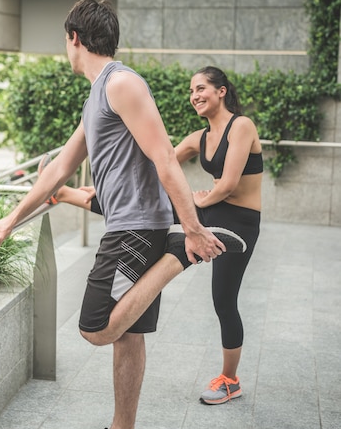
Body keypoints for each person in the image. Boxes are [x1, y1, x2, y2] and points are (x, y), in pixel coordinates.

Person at [0, 0, 230, 429]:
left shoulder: (121, 84)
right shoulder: (99, 93)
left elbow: (164, 159)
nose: (65, 48)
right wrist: (10, 219)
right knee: (128, 335)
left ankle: (180, 256)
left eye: (65, 41)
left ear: (75, 38)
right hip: (135, 224)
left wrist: (192, 232)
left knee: (95, 327)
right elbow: (60, 168)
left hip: (135, 228)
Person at [41, 65, 262, 405]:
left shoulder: (242, 126)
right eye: (191, 91)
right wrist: (110, 185)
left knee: (224, 300)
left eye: (202, 88)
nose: (195, 96)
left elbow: (230, 183)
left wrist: (198, 199)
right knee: (137, 203)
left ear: (221, 91)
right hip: (206, 215)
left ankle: (230, 380)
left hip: (239, 223)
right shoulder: (197, 139)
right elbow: (158, 168)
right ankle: (67, 193)